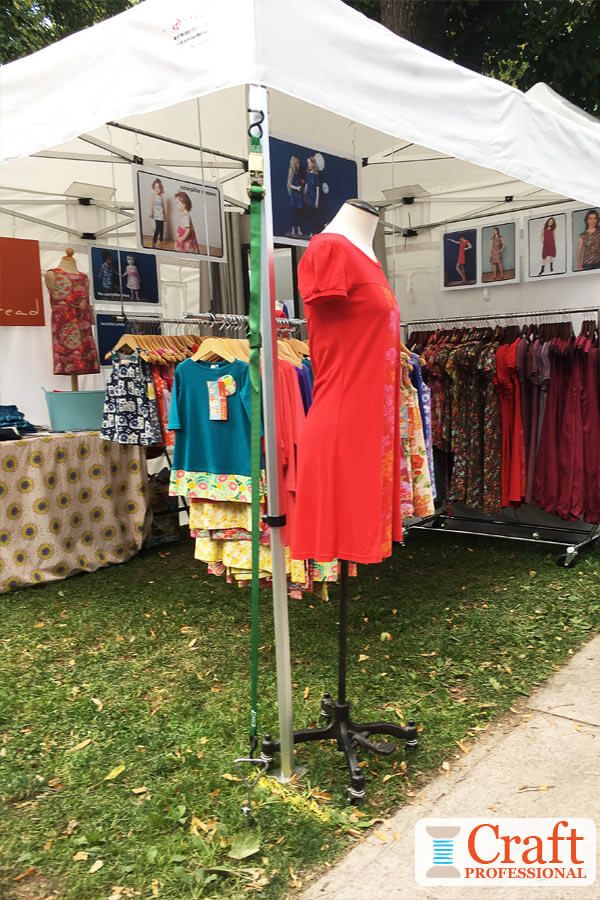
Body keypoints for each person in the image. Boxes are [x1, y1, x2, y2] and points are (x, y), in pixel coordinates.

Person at [287, 155, 304, 237]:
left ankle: (299, 228)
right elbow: (289, 184)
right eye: (297, 162)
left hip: (299, 194)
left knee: (299, 213)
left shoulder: (298, 171)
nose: (298, 164)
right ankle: (293, 228)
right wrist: (296, 188)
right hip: (294, 194)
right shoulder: (291, 171)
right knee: (294, 213)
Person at [304, 156, 321, 236]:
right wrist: (304, 193)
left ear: (313, 163)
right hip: (308, 197)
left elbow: (317, 188)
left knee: (314, 215)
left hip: (313, 197)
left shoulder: (316, 175)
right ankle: (309, 231)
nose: (308, 164)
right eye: (307, 163)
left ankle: (313, 232)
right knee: (308, 215)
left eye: (309, 163)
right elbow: (307, 185)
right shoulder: (308, 174)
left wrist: (317, 200)